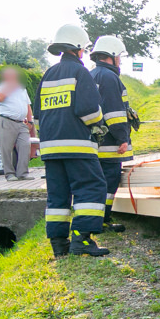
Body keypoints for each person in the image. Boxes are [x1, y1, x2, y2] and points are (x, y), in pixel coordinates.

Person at [34, 24, 109, 257]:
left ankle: (59, 245)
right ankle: (82, 240)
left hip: (50, 149)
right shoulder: (80, 73)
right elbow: (89, 110)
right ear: (78, 49)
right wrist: (99, 126)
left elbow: (37, 115)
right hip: (77, 146)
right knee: (92, 187)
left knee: (58, 195)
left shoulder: (47, 75)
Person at [90, 36, 133, 233]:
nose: (120, 62)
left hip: (94, 142)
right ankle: (103, 219)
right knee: (108, 182)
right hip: (109, 144)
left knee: (96, 182)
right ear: (112, 55)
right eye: (119, 57)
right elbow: (114, 113)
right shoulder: (109, 77)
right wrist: (122, 138)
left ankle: (98, 219)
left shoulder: (91, 75)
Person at [0, 67, 33, 181]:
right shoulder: (0, 87)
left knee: (25, 146)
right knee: (7, 148)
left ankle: (23, 173)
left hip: (21, 122)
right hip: (6, 120)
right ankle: (10, 174)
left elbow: (28, 105)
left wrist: (30, 121)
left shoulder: (22, 89)